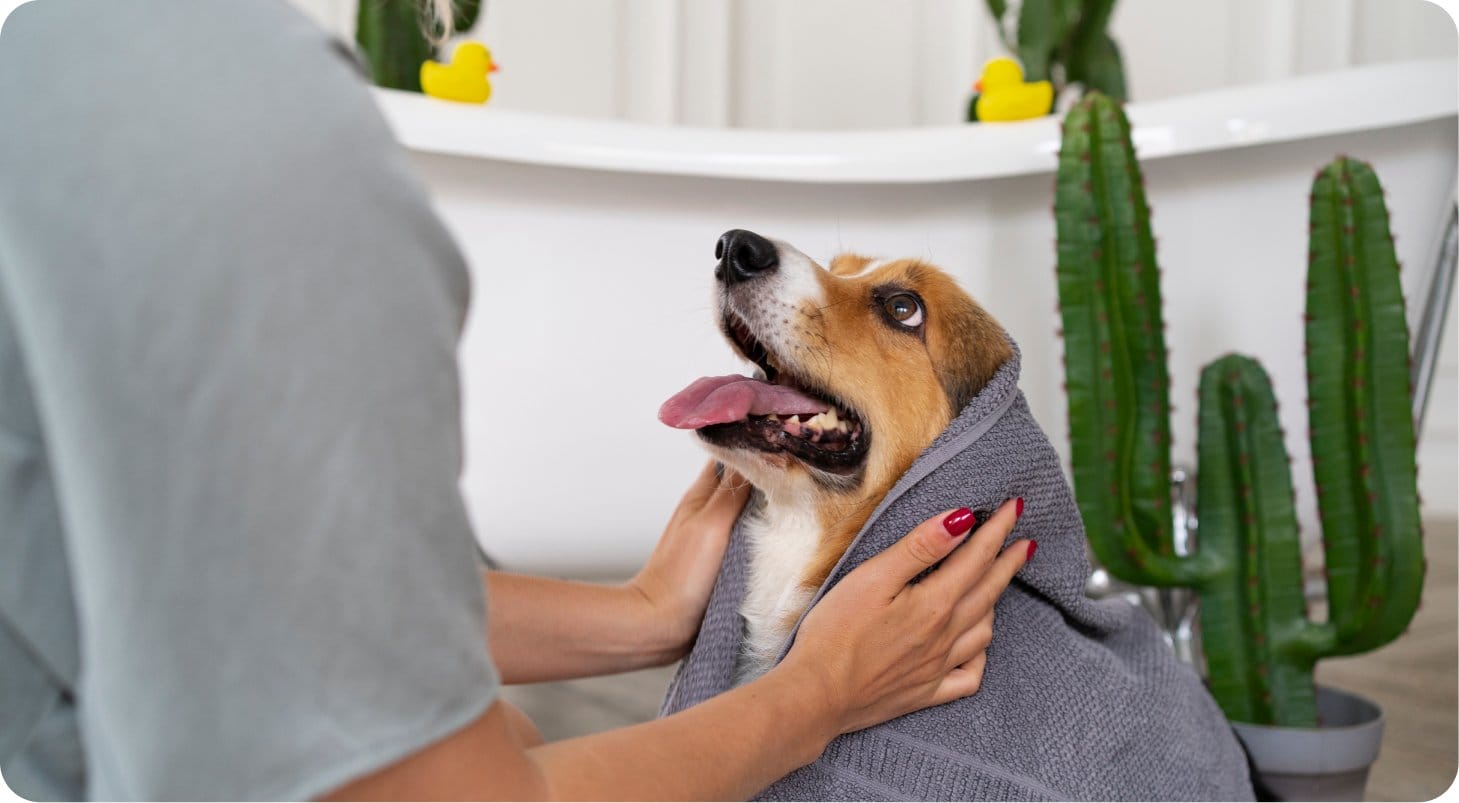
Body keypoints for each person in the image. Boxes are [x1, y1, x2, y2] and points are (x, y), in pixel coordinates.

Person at [0, 1, 1030, 799]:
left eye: (892, 307)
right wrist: (816, 693)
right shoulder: (245, 147)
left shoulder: (62, 58)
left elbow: (262, 589)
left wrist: (640, 614)